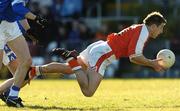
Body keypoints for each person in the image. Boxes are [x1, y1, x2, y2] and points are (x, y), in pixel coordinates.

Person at [25, 11, 167, 97]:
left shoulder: (140, 29)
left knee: (68, 69)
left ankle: (36, 70)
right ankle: (71, 58)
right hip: (103, 54)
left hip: (100, 47)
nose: (161, 31)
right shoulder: (143, 32)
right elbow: (134, 57)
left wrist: (150, 63)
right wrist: (152, 63)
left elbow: (133, 55)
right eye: (161, 28)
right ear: (153, 25)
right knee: (88, 91)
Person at [0, 0, 47, 107]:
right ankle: (9, 94)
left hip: (10, 24)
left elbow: (16, 10)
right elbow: (16, 7)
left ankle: (12, 96)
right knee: (24, 75)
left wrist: (29, 30)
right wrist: (37, 18)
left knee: (26, 62)